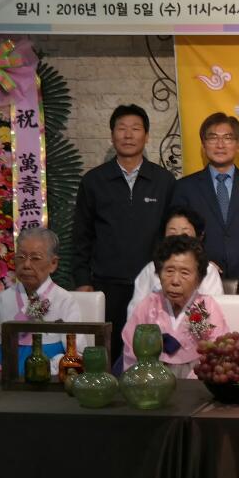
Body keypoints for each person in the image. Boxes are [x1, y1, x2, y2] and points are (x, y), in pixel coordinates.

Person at [69, 104, 176, 347]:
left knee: (151, 350)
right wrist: (83, 280)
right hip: (106, 286)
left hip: (153, 285)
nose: (128, 135)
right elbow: (81, 236)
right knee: (108, 351)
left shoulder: (164, 181)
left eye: (136, 129)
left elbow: (171, 235)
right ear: (112, 135)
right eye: (122, 128)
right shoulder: (94, 181)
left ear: (146, 136)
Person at [122, 234, 230, 378]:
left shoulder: (205, 307)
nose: (175, 281)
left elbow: (216, 352)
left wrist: (191, 383)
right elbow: (131, 351)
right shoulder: (148, 305)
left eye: (184, 273)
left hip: (195, 380)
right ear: (159, 274)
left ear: (198, 279)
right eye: (169, 271)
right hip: (153, 380)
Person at [172, 112, 239, 294]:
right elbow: (177, 237)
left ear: (238, 145)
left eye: (228, 138)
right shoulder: (185, 187)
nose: (220, 145)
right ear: (203, 144)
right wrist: (199, 260)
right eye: (213, 138)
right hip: (201, 279)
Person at [0, 226, 83, 375]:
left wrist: (51, 367)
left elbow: (77, 354)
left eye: (35, 258)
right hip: (5, 378)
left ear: (53, 264)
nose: (26, 265)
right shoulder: (1, 300)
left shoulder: (64, 301)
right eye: (21, 257)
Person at [128, 206, 224, 322]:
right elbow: (134, 316)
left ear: (199, 237)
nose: (178, 239)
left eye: (185, 234)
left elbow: (214, 316)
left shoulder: (208, 271)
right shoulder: (150, 270)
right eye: (172, 233)